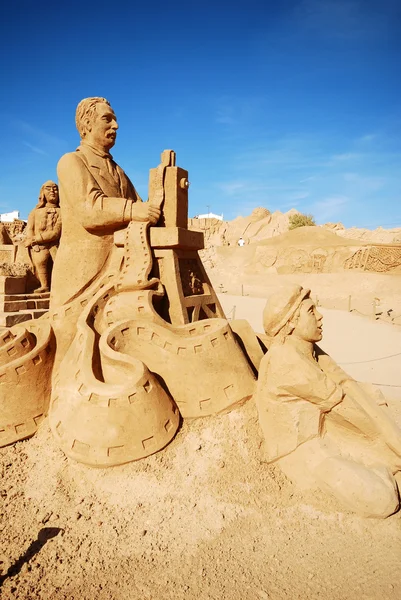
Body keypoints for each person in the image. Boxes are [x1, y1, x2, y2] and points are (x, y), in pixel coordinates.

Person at [256, 284, 401, 517]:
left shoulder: (308, 349)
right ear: (291, 322)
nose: (320, 316)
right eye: (311, 311)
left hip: (328, 435)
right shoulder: (286, 361)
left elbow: (346, 384)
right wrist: (392, 446)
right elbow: (348, 408)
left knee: (372, 395)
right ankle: (383, 468)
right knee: (382, 500)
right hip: (303, 451)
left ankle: (383, 466)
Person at [50, 97, 160, 307]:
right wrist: (133, 209)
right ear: (87, 124)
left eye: (115, 120)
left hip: (117, 271)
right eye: (107, 119)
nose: (115, 125)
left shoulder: (119, 172)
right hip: (83, 277)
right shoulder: (71, 161)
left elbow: (142, 208)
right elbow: (90, 209)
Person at [25, 181, 61, 292]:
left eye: (55, 188)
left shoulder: (62, 211)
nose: (52, 191)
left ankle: (58, 287)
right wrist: (32, 242)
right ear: (42, 193)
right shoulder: (35, 212)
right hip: (38, 246)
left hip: (55, 244)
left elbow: (56, 232)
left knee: (59, 264)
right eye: (48, 188)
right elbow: (30, 229)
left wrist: (36, 239)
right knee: (40, 262)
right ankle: (44, 286)